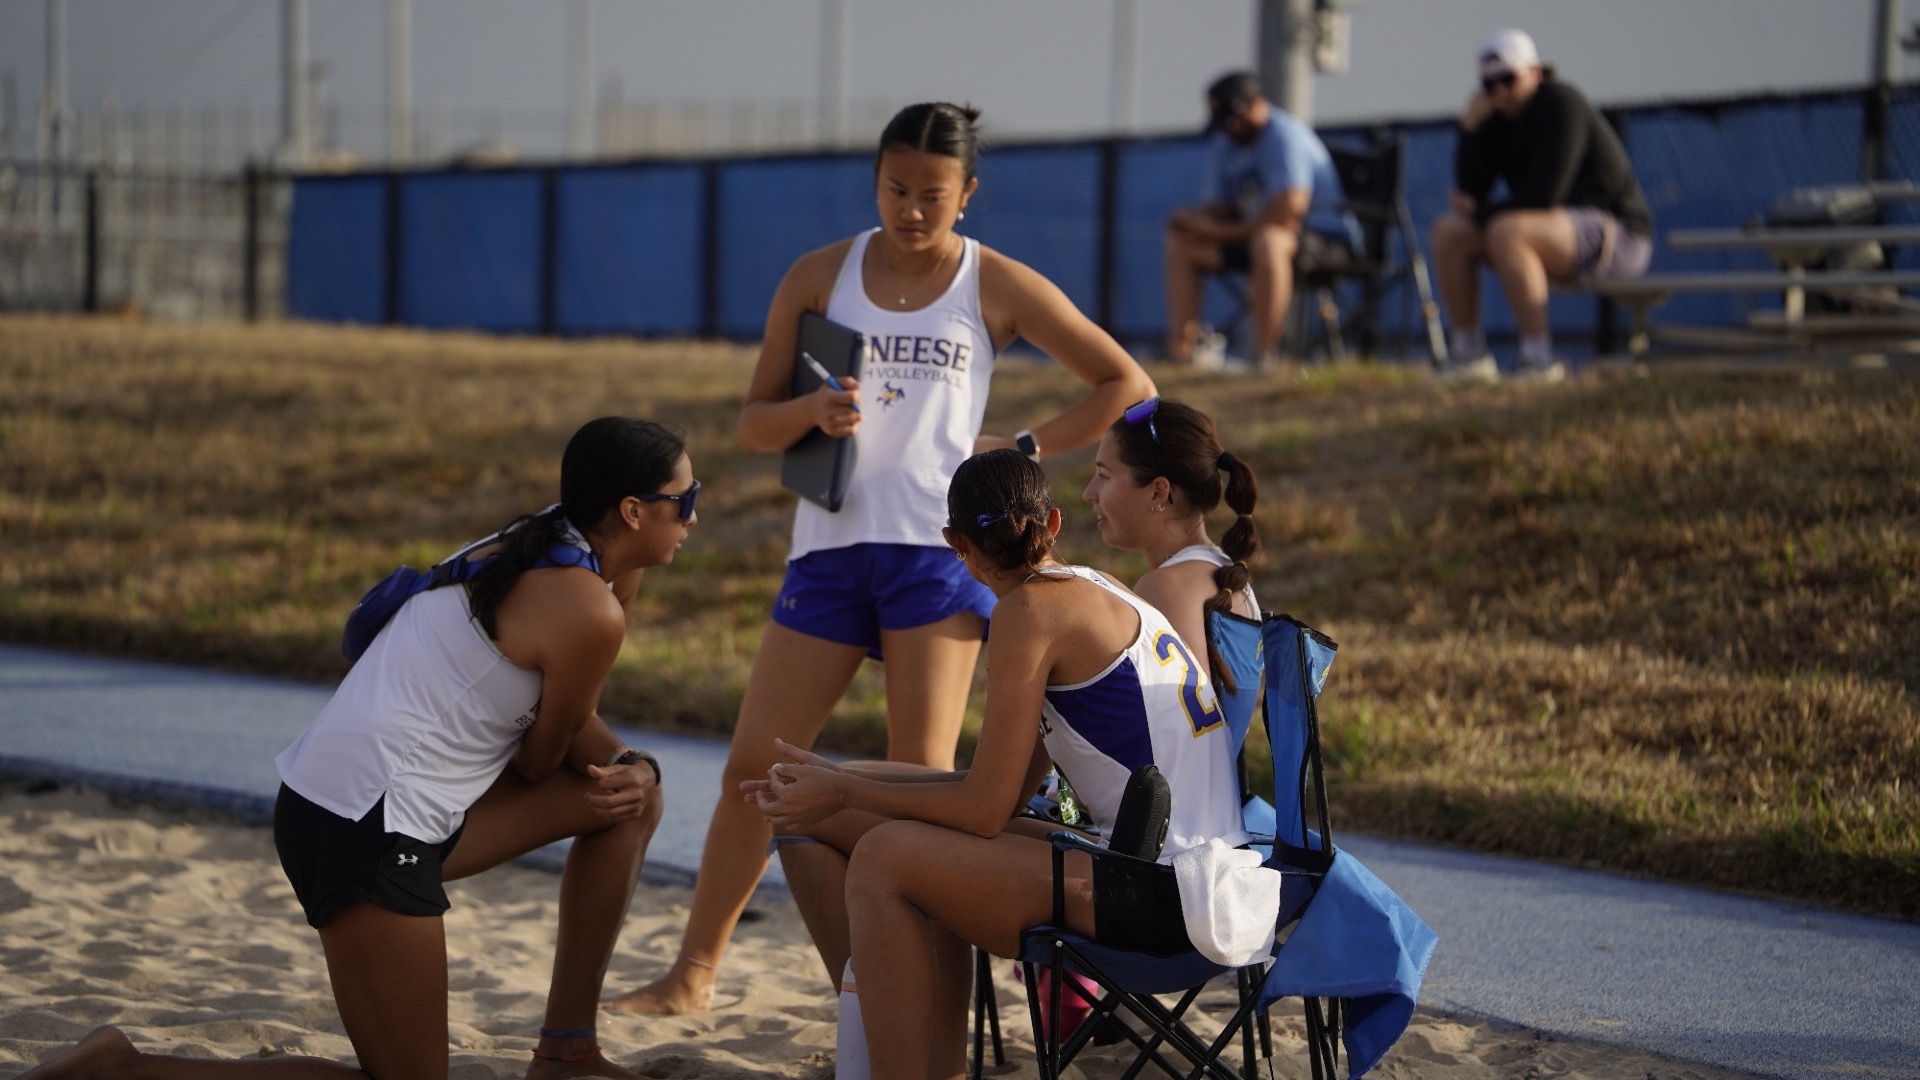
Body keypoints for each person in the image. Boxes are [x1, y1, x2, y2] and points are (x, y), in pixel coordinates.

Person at [604, 102, 1155, 1017]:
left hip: (939, 557)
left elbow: (1127, 383)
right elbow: (753, 425)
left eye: (933, 195)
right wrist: (809, 415)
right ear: (875, 181)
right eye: (896, 189)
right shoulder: (819, 275)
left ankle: (918, 1009)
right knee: (756, 770)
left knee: (920, 786)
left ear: (967, 193)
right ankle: (693, 973)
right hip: (828, 550)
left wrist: (1019, 444)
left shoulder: (992, 282)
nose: (911, 209)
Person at [22, 416, 693, 1080]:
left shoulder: (551, 539)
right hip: (365, 824)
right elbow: (542, 759)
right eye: (685, 501)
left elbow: (569, 718)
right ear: (632, 511)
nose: (695, 517)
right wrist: (620, 760)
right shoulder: (588, 609)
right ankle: (119, 1069)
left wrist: (633, 766)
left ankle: (568, 1052)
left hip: (353, 801)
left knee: (634, 797)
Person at [744, 449, 1251, 1080]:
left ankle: (901, 1058)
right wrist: (840, 783)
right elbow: (1001, 796)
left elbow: (982, 811)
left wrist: (845, 793)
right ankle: (914, 1055)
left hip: (1167, 893)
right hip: (1206, 869)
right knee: (871, 814)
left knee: (886, 856)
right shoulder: (1100, 585)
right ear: (1054, 522)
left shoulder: (1027, 612)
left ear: (953, 542)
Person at [1430, 28, 1654, 385]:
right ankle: (1468, 356)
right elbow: (1471, 190)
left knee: (1507, 229)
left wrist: (1481, 213)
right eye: (1489, 85)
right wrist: (1469, 129)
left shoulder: (1562, 103)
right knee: (1450, 232)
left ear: (1536, 72)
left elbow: (1546, 195)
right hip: (1551, 234)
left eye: (1508, 79)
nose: (1499, 91)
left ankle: (1538, 360)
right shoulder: (1497, 118)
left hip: (1620, 238)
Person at [1164, 71, 1361, 371]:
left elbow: (1287, 215)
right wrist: (1195, 221)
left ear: (1255, 105)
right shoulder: (1225, 141)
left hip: (1323, 241)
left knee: (1270, 241)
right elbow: (1217, 209)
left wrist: (1219, 232)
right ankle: (1183, 352)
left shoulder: (1284, 136)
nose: (1229, 129)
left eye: (1234, 120)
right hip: (1253, 237)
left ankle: (1264, 357)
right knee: (1183, 243)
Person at [1081, 397, 1261, 679]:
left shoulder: (1166, 588)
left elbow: (1190, 709)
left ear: (1158, 492)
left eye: (1105, 475)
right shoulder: (1223, 567)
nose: (1089, 493)